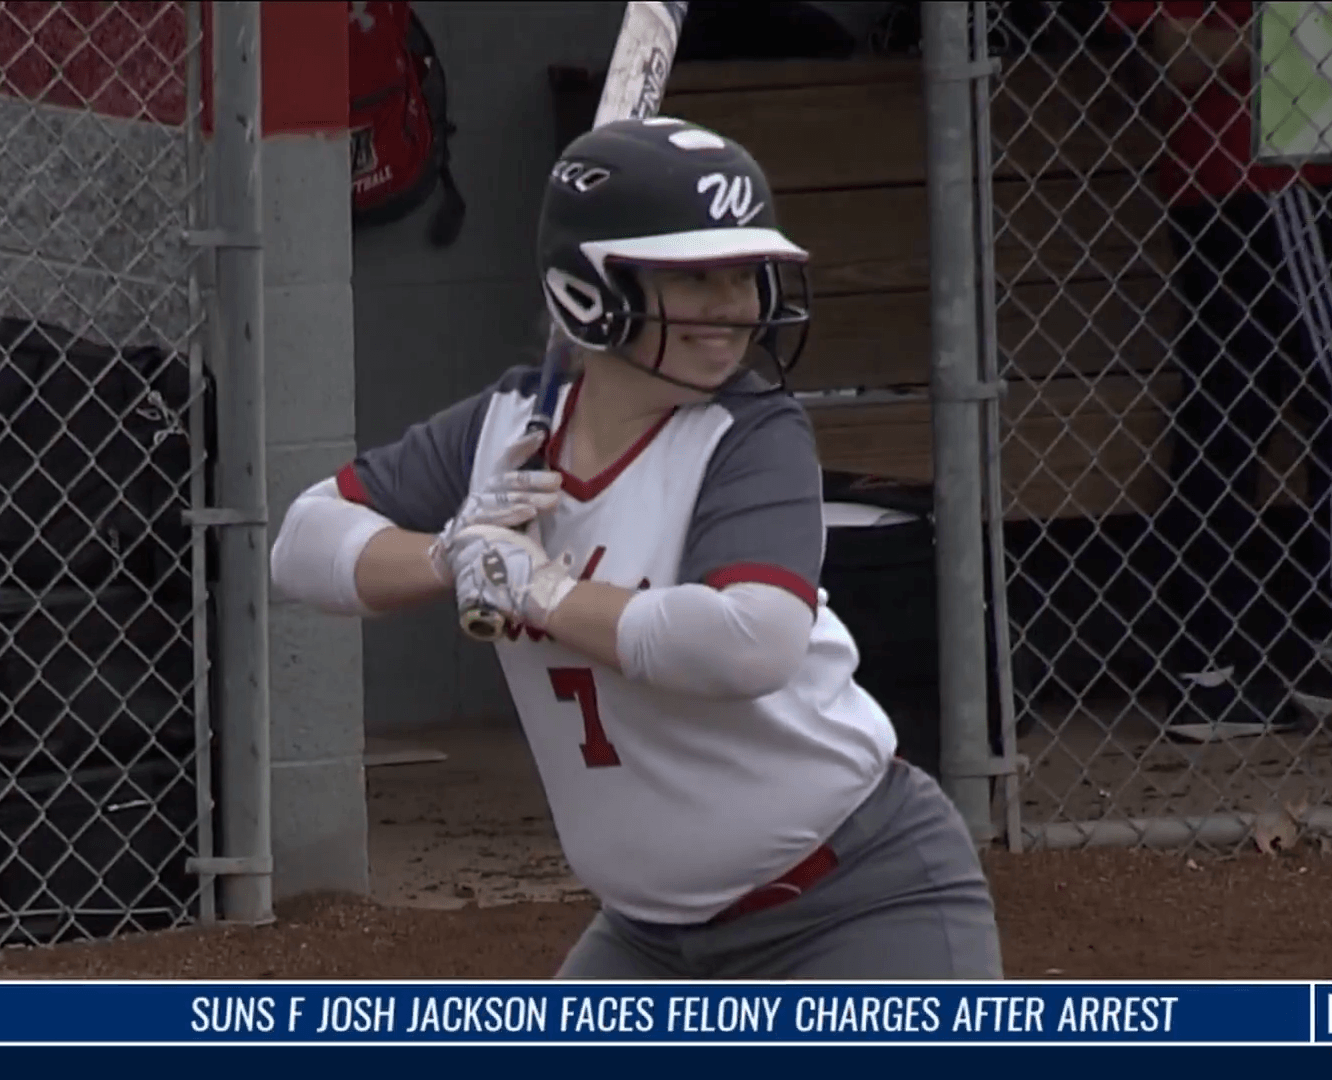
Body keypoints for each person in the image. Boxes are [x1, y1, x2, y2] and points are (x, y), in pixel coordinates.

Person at [270, 117, 1004, 979]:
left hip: (856, 905)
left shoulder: (749, 432)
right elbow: (303, 542)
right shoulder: (502, 429)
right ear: (588, 290)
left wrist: (539, 591)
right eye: (695, 278)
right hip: (650, 940)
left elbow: (748, 641)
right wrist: (452, 554)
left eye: (743, 274)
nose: (733, 307)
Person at [1107, 1, 1332, 742]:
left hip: (1284, 161)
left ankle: (1214, 668)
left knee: (1231, 407)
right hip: (1260, 172)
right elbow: (1175, 60)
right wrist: (1309, 34)